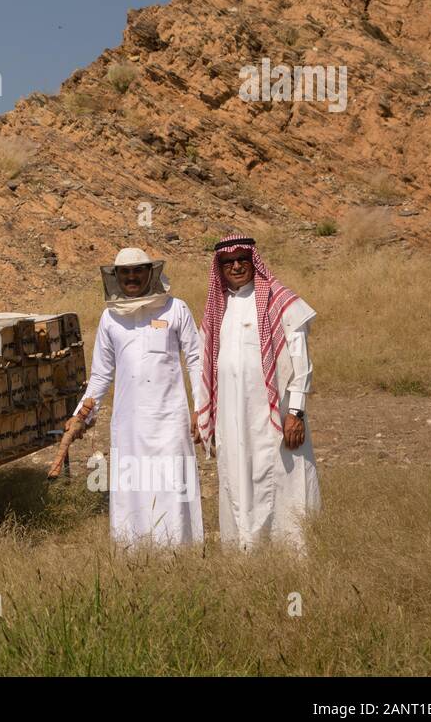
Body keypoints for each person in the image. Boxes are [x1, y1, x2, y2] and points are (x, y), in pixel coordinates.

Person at [66, 247, 205, 546]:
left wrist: (201, 408)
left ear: (149, 272)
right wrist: (82, 414)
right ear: (115, 277)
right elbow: (102, 375)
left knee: (171, 487)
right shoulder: (109, 318)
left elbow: (196, 359)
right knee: (134, 490)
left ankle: (178, 554)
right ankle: (135, 556)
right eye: (125, 272)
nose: (132, 277)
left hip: (171, 420)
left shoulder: (175, 308)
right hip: (129, 425)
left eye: (137, 271)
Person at [198, 234, 320, 551]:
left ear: (253, 260)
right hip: (232, 417)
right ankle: (245, 553)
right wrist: (202, 412)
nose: (236, 266)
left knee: (283, 478)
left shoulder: (280, 302)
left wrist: (296, 412)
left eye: (242, 259)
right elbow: (206, 366)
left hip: (276, 417)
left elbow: (302, 362)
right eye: (228, 262)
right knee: (237, 477)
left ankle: (293, 553)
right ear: (220, 268)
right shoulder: (218, 309)